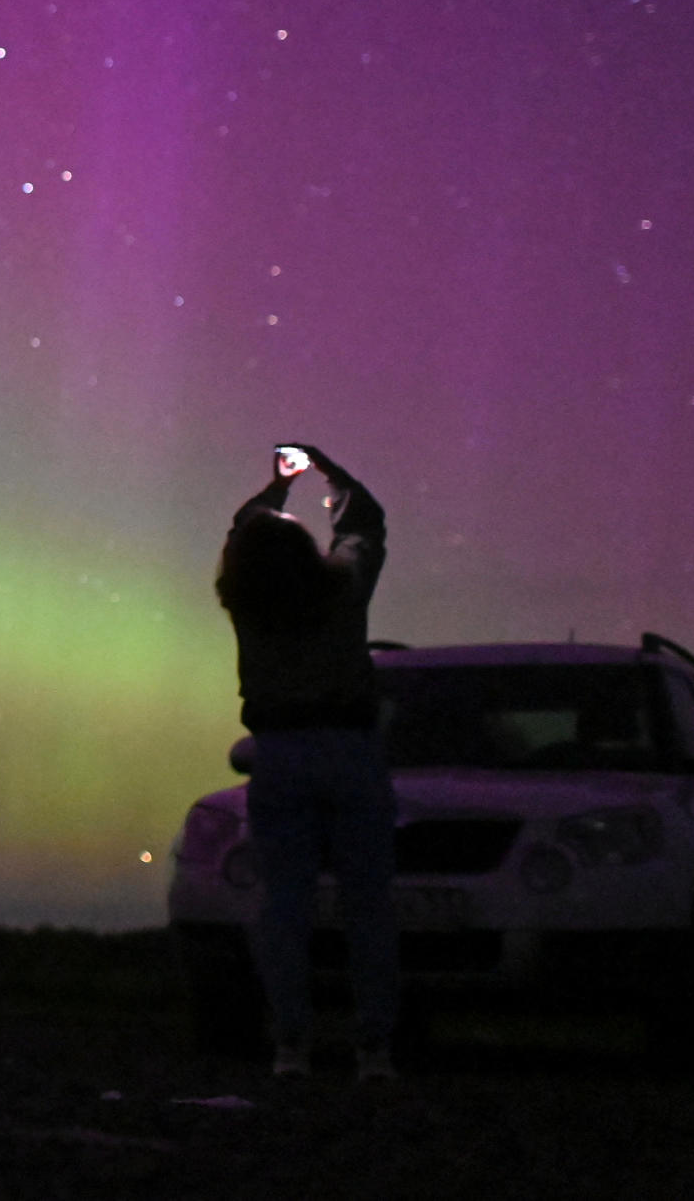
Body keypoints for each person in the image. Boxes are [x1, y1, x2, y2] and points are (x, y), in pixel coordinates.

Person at [218, 443, 397, 1082]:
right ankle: (373, 1048)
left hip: (281, 755)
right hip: (348, 751)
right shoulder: (342, 590)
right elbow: (364, 526)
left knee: (285, 906)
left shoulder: (246, 605)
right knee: (368, 906)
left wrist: (274, 493)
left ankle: (291, 1044)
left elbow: (241, 533)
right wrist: (328, 472)